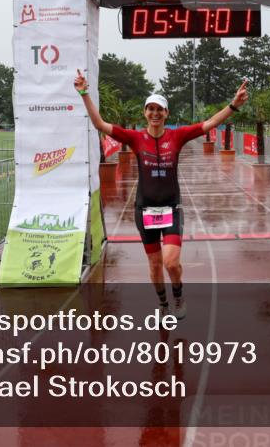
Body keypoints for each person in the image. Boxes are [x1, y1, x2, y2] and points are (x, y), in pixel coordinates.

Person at [75, 69, 249, 318]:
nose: (155, 113)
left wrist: (233, 105)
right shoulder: (135, 138)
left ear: (167, 113)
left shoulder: (177, 136)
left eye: (160, 109)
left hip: (171, 209)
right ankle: (163, 304)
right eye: (151, 109)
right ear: (145, 113)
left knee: (170, 262)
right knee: (155, 265)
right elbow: (99, 124)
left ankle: (178, 297)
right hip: (144, 210)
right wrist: (84, 93)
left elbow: (210, 123)